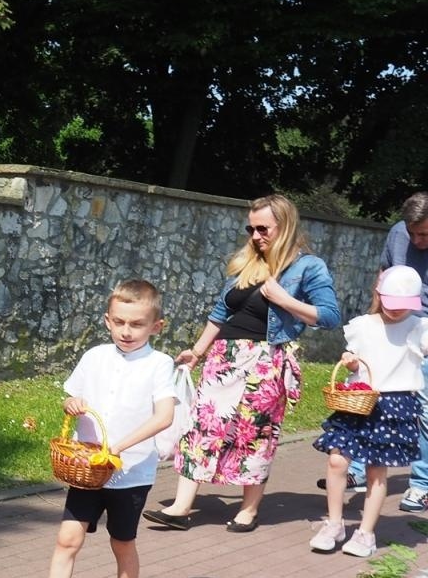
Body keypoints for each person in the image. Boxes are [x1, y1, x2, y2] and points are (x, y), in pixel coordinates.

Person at [143, 194, 341, 532]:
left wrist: (285, 299)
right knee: (200, 428)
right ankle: (181, 507)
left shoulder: (308, 267)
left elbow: (330, 316)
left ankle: (249, 509)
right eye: (251, 229)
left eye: (263, 229)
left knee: (254, 433)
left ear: (285, 226)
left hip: (265, 362)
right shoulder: (249, 262)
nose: (255, 236)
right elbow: (222, 311)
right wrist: (197, 351)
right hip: (223, 358)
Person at [16, 280, 178, 578]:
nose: (126, 331)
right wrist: (70, 404)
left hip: (130, 473)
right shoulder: (94, 357)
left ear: (156, 326)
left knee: (122, 542)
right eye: (119, 322)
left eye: (136, 324)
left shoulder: (159, 364)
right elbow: (72, 397)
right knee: (67, 539)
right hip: (87, 470)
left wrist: (118, 447)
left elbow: (164, 416)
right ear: (107, 320)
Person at [309, 267, 428, 556]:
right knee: (337, 461)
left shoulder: (420, 327)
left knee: (376, 470)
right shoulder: (362, 325)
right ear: (378, 294)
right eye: (392, 302)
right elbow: (357, 365)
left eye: (404, 304)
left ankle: (366, 533)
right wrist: (350, 363)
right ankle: (334, 524)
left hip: (394, 405)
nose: (397, 310)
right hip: (358, 401)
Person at [325, 192, 428, 501]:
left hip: (422, 332)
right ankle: (358, 467)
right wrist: (373, 317)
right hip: (387, 325)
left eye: (424, 234)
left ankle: (421, 484)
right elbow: (384, 274)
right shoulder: (398, 233)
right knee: (368, 398)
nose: (417, 240)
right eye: (412, 233)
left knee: (423, 411)